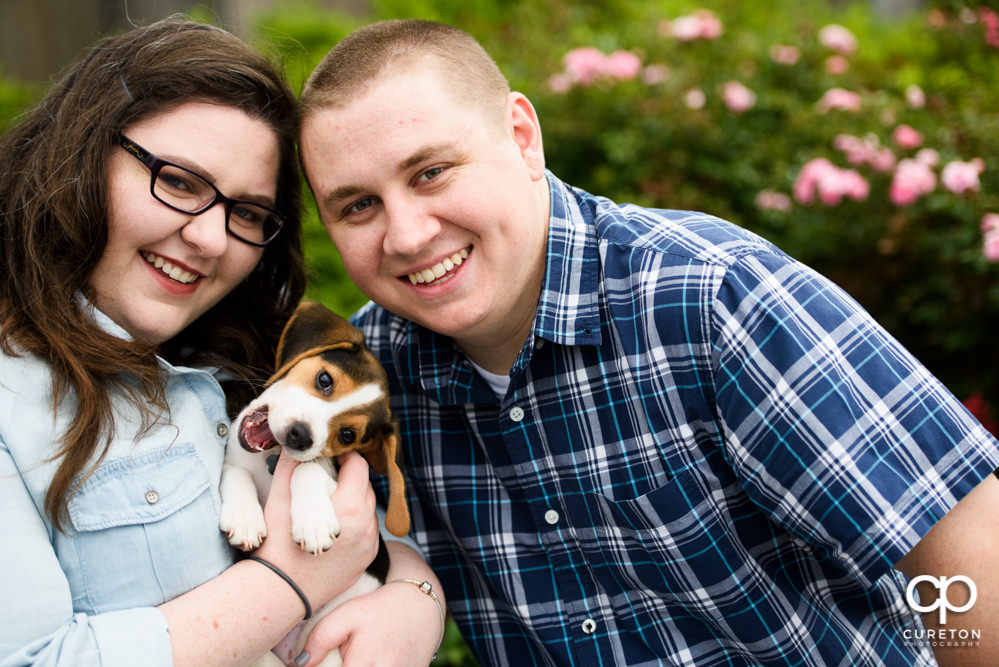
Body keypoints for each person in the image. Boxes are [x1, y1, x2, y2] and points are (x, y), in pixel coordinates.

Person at [297, 18, 999, 667]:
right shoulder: (369, 375)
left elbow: (972, 567)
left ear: (520, 137)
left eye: (431, 172)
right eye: (358, 205)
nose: (408, 234)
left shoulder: (711, 297)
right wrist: (409, 590)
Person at [0, 18, 443, 667]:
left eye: (246, 214)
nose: (210, 239)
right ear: (80, 154)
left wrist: (413, 594)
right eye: (178, 181)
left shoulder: (249, 353)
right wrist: (284, 585)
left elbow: (354, 538)